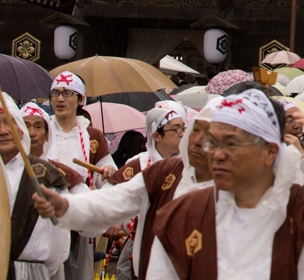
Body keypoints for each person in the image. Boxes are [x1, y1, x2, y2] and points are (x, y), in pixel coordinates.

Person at [146, 88, 304, 279]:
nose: (217, 155)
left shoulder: (302, 211)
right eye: (213, 144)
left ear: (268, 153)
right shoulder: (181, 214)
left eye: (231, 144)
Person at [34, 97, 221, 280]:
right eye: (195, 130)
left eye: (209, 134)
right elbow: (116, 199)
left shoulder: (235, 189)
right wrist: (69, 207)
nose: (197, 140)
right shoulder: (165, 171)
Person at [0, 89, 71, 279]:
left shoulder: (45, 174)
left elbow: (60, 238)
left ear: (20, 128)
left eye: (9, 122)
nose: (3, 131)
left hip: (31, 272)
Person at [22, 101, 96, 280]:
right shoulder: (2, 168)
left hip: (53, 262)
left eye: (38, 126)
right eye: (26, 126)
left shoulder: (59, 172)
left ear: (48, 135)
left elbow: (89, 211)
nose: (31, 133)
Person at [44, 72, 116, 185]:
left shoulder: (94, 136)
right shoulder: (43, 131)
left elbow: (104, 177)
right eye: (55, 93)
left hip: (80, 199)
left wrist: (108, 169)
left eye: (67, 93)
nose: (60, 98)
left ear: (81, 99)